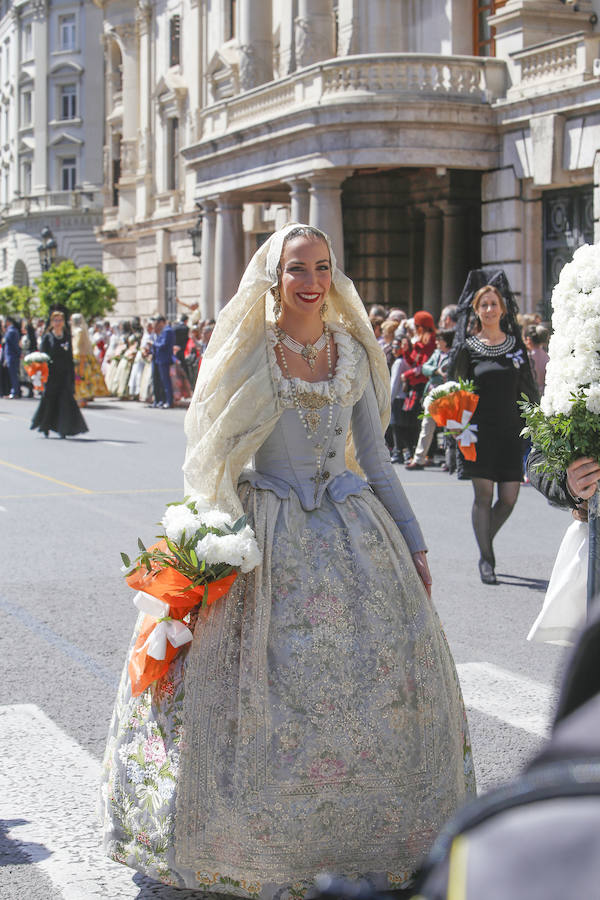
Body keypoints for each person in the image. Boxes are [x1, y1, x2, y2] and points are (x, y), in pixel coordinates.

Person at [101, 224, 475, 896]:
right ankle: (245, 845)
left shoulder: (356, 353)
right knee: (247, 691)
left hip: (352, 529)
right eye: (297, 269)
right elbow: (211, 457)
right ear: (274, 279)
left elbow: (378, 461)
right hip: (264, 532)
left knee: (370, 689)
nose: (311, 282)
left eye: (323, 268)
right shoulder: (252, 353)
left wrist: (415, 541)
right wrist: (208, 543)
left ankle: (365, 838)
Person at [450, 272, 538, 585]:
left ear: (502, 309)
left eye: (493, 304)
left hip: (511, 432)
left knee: (510, 497)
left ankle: (483, 537)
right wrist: (456, 428)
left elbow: (527, 389)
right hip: (478, 432)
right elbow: (455, 391)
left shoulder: (516, 347)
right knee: (483, 497)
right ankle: (487, 560)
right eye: (483, 305)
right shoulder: (468, 348)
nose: (488, 309)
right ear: (476, 310)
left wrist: (536, 423)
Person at [30, 309, 88, 438]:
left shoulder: (67, 337)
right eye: (55, 320)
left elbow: (69, 355)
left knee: (65, 399)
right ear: (52, 322)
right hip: (51, 374)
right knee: (49, 400)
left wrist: (72, 373)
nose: (58, 323)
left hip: (64, 373)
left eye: (60, 320)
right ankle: (45, 426)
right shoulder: (47, 337)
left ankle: (64, 427)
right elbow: (42, 356)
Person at [405, 329, 454, 470]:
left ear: (447, 341)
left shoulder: (454, 354)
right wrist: (435, 371)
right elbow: (425, 367)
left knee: (450, 428)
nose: (437, 342)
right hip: (433, 394)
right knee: (427, 426)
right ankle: (419, 459)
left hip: (449, 394)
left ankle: (451, 461)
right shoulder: (436, 354)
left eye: (440, 339)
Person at [71, 313, 110, 406]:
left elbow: (77, 345)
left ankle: (82, 397)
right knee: (83, 377)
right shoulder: (81, 330)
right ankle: (83, 396)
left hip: (79, 357)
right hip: (85, 356)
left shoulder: (78, 331)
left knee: (80, 377)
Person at [152, 315, 175, 407]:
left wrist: (154, 344)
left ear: (162, 322)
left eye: (158, 323)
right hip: (160, 359)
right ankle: (163, 400)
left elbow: (163, 344)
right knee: (161, 381)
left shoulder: (167, 331)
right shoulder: (163, 331)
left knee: (166, 381)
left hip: (164, 359)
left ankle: (169, 401)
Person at [2, 316, 21, 398]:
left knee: (13, 375)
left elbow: (12, 345)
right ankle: (15, 391)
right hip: (12, 356)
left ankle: (15, 392)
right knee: (14, 375)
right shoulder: (14, 331)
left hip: (11, 356)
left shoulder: (10, 332)